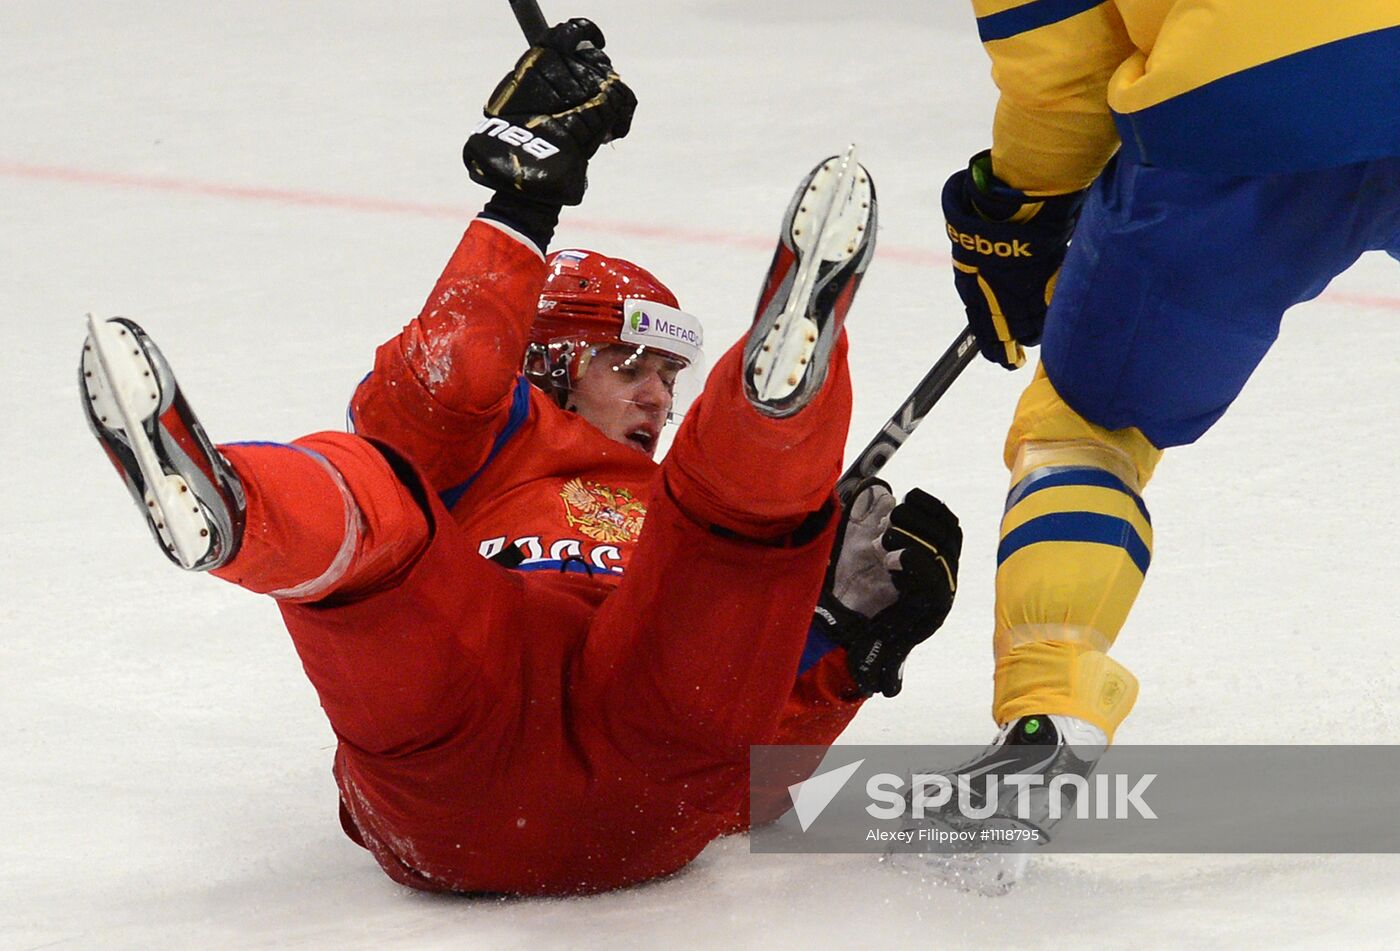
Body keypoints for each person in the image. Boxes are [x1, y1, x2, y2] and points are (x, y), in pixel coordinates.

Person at [80, 20, 963, 895]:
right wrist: (522, 198)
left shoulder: (673, 496)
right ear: (544, 366)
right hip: (491, 738)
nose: (657, 396)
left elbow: (757, 785)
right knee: (382, 486)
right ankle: (236, 508)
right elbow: (444, 381)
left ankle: (778, 400)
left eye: (670, 373)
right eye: (625, 365)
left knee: (735, 537)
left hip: (562, 780)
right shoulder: (487, 438)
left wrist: (849, 639)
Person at [924, 0, 1400, 889]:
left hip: (1247, 107)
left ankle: (1052, 710)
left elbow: (1060, 68)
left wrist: (1018, 207)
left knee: (1089, 418)